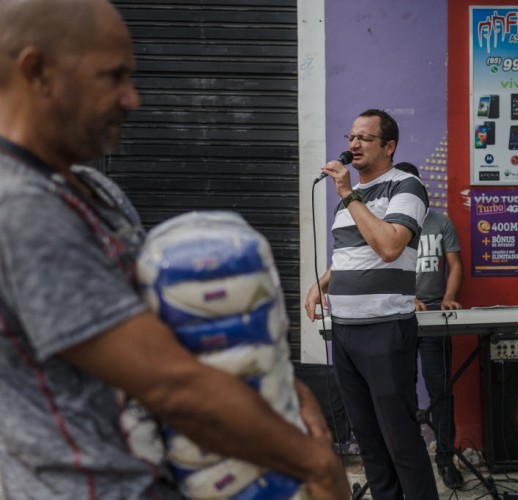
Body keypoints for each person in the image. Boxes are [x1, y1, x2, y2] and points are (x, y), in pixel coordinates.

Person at [0, 1, 349, 498]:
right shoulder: (20, 209)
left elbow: (182, 332)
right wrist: (316, 465)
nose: (132, 99)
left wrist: (290, 395)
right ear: (37, 70)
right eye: (113, 77)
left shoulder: (95, 192)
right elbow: (173, 385)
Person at [305, 110, 439, 499]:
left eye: (365, 138)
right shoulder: (348, 203)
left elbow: (389, 246)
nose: (353, 145)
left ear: (389, 146)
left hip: (385, 330)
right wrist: (322, 284)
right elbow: (351, 254)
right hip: (344, 331)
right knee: (368, 440)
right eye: (351, 137)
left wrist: (349, 194)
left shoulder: (406, 186)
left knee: (399, 437)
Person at [393, 162, 464, 489]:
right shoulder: (388, 224)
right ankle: (404, 462)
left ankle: (445, 458)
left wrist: (449, 296)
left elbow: (455, 265)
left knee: (441, 391)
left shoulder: (440, 222)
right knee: (397, 391)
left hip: (435, 314)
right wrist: (406, 298)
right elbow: (379, 270)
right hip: (397, 315)